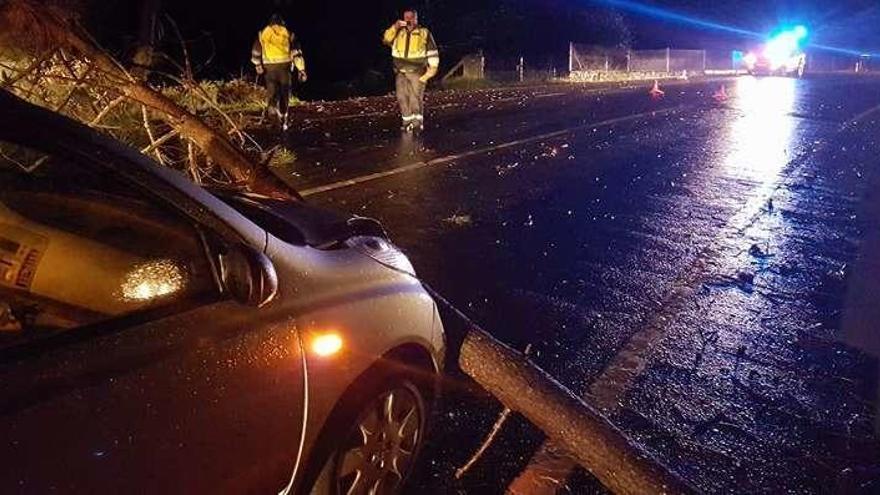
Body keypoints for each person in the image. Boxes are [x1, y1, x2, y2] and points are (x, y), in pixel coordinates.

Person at [382, 9, 439, 133]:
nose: (408, 20)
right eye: (406, 17)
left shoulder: (424, 33)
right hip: (400, 71)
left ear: (416, 18)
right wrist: (394, 27)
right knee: (401, 97)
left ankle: (417, 124)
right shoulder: (397, 32)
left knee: (415, 97)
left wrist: (431, 70)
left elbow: (433, 52)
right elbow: (386, 40)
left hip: (417, 70)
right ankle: (406, 122)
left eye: (411, 17)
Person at [251, 14, 307, 131]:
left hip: (269, 68)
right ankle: (284, 117)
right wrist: (301, 70)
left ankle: (273, 116)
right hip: (285, 67)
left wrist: (257, 64)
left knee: (272, 92)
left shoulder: (263, 34)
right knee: (285, 92)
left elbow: (256, 51)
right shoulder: (289, 34)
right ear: (283, 23)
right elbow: (297, 53)